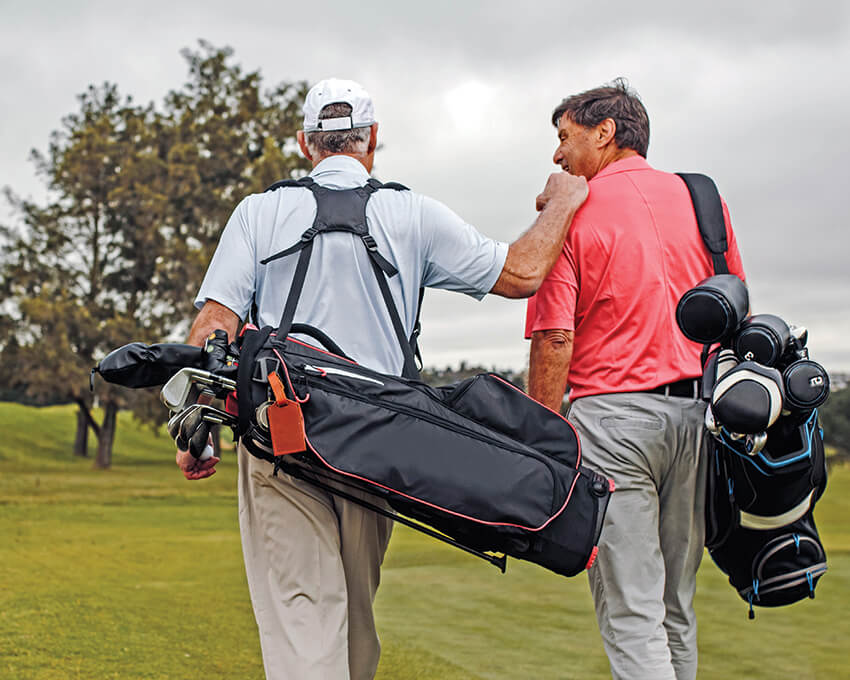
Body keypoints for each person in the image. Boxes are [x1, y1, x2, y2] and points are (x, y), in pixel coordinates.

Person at [174, 78, 588, 680]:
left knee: (303, 610)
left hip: (280, 433)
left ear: (303, 143)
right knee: (354, 615)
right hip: (378, 445)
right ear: (372, 139)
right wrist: (564, 204)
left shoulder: (259, 211)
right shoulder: (410, 211)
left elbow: (214, 325)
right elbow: (522, 273)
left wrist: (192, 432)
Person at [525, 79, 746, 680]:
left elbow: (554, 337)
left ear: (605, 132)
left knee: (632, 612)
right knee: (676, 608)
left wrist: (542, 444)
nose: (557, 155)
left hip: (613, 423)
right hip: (696, 420)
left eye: (564, 137)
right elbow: (737, 313)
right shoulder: (703, 199)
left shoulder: (569, 210)